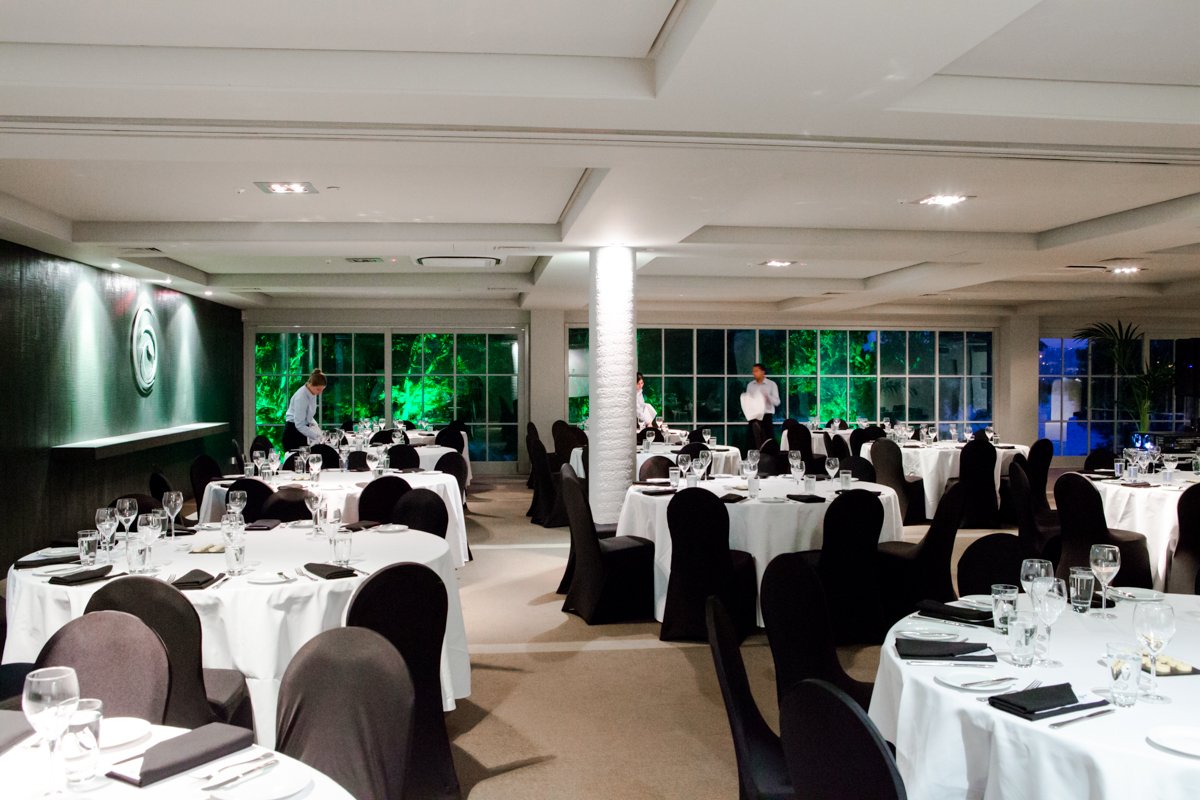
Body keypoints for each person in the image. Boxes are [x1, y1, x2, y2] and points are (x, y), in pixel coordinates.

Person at [283, 369, 327, 450]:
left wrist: (317, 429)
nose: (320, 392)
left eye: (322, 390)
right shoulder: (301, 397)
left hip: (302, 431)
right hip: (293, 434)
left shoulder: (312, 393)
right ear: (311, 384)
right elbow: (299, 425)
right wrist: (317, 436)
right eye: (318, 389)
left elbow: (309, 416)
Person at [746, 363, 781, 443]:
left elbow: (777, 402)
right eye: (753, 371)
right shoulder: (750, 385)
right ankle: (752, 454)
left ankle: (769, 455)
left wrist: (767, 397)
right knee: (752, 440)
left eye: (756, 371)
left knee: (768, 440)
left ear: (763, 372)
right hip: (754, 416)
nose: (754, 373)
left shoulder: (771, 384)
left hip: (766, 416)